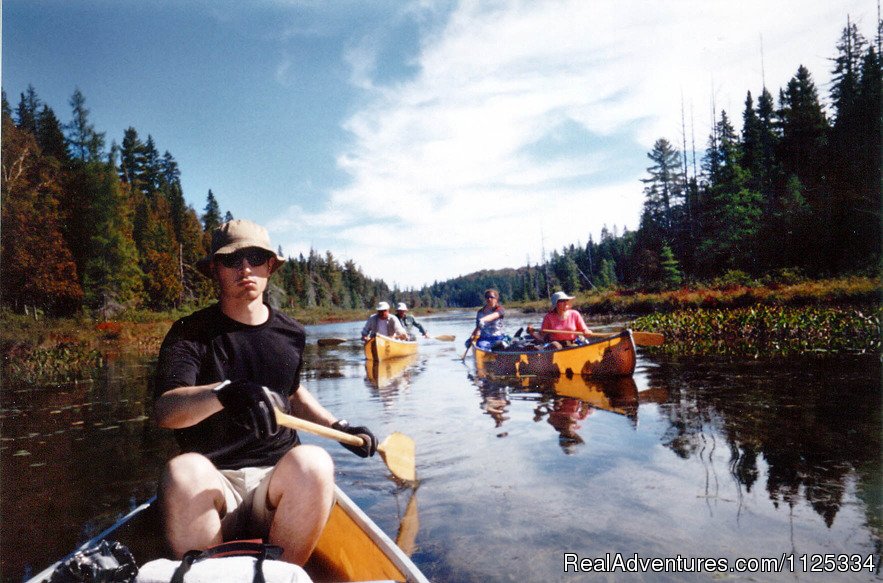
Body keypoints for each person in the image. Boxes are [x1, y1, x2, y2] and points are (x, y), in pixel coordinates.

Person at [153, 219, 378, 567]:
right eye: (231, 260)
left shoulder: (291, 333)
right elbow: (166, 411)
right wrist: (224, 392)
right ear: (215, 269)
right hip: (213, 486)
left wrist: (340, 425)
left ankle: (281, 575)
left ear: (269, 266)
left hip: (276, 491)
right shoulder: (189, 333)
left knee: (315, 463)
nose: (245, 269)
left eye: (255, 258)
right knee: (182, 472)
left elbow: (293, 392)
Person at [527, 291, 592, 349]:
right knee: (556, 346)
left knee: (575, 347)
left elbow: (584, 330)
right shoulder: (548, 317)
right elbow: (541, 336)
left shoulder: (575, 314)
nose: (565, 303)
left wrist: (587, 332)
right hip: (555, 345)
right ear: (556, 304)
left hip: (572, 343)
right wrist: (532, 333)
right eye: (562, 301)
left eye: (566, 300)